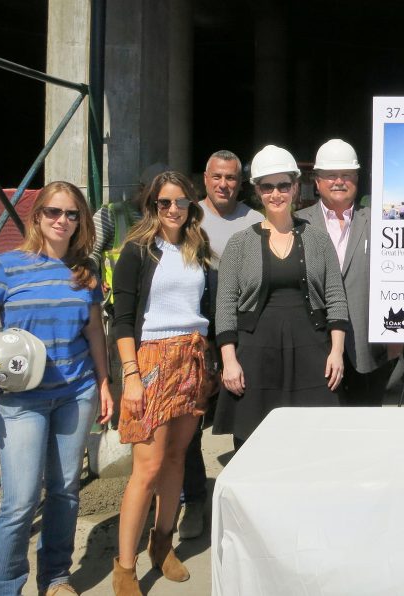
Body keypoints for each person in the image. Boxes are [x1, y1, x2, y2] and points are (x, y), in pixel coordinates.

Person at [0, 181, 114, 596]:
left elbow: (95, 331)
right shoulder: (6, 266)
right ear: (37, 216)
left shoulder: (85, 272)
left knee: (64, 491)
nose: (62, 221)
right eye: (54, 212)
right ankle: (4, 587)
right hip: (23, 401)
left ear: (80, 222)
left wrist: (104, 382)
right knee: (20, 502)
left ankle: (56, 578)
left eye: (72, 214)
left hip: (76, 394)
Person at [110, 171, 216, 594]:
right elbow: (122, 317)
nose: (173, 210)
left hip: (190, 360)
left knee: (176, 459)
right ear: (152, 206)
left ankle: (162, 544)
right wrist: (131, 376)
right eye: (164, 202)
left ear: (191, 205)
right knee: (147, 468)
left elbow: (203, 305)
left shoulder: (198, 247)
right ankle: (124, 567)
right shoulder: (138, 250)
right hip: (151, 361)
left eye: (181, 202)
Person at [213, 145, 349, 448]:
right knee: (253, 443)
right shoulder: (239, 244)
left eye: (283, 185)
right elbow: (224, 307)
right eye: (267, 186)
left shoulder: (318, 238)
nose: (276, 193)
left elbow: (335, 298)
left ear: (295, 187)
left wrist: (336, 351)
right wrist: (229, 360)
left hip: (311, 353)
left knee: (312, 440)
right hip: (256, 356)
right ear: (257, 191)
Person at [172, 150, 265, 541]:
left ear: (240, 182)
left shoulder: (256, 220)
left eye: (231, 178)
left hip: (244, 330)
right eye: (217, 177)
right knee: (191, 419)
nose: (224, 184)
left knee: (244, 412)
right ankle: (193, 500)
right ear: (204, 181)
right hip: (194, 329)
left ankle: (248, 496)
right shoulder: (186, 218)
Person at [296, 139, 401, 407]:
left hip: (366, 351)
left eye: (347, 175)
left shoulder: (380, 224)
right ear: (317, 181)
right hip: (313, 347)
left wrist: (395, 340)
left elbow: (397, 279)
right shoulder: (297, 225)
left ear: (357, 179)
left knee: (365, 430)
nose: (339, 181)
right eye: (331, 175)